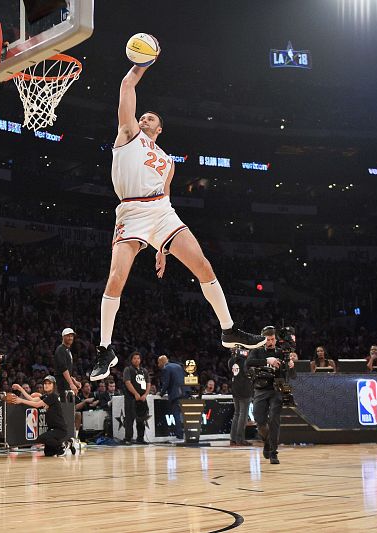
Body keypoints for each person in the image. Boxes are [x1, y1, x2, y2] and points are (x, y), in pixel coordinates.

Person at [90, 47, 264, 381]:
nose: (144, 120)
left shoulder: (169, 161)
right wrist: (141, 65)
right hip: (131, 210)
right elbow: (127, 88)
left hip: (162, 212)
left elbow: (167, 198)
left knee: (203, 266)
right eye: (143, 117)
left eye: (150, 119)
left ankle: (229, 329)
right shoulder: (128, 134)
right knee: (116, 278)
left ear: (160, 129)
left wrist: (162, 249)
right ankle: (104, 349)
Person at [247, 326, 297, 464]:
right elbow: (248, 363)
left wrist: (291, 365)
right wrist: (267, 360)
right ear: (263, 339)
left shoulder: (281, 352)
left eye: (272, 339)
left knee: (274, 420)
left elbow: (293, 376)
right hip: (260, 389)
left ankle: (274, 452)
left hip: (277, 389)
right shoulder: (256, 351)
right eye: (268, 339)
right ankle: (267, 442)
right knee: (259, 420)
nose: (270, 342)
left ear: (276, 338)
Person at [11, 376, 76, 457]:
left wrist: (21, 400)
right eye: (45, 383)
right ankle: (69, 442)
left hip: (59, 429)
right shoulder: (46, 396)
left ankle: (63, 446)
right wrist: (20, 389)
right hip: (52, 429)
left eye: (49, 383)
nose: (46, 385)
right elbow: (32, 399)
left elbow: (37, 405)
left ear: (54, 385)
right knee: (48, 453)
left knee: (42, 438)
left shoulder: (53, 396)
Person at [122, 352, 149, 445]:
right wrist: (135, 393)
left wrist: (145, 394)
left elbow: (148, 383)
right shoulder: (128, 369)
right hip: (131, 398)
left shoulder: (144, 371)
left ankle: (140, 438)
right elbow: (127, 382)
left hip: (142, 398)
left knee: (141, 419)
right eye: (134, 358)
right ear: (131, 360)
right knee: (129, 419)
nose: (136, 360)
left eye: (138, 358)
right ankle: (128, 438)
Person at [227, 349, 252, 446]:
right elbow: (248, 373)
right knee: (243, 414)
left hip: (235, 388)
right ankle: (240, 439)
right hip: (244, 389)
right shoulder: (245, 361)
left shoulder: (231, 360)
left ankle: (233, 439)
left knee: (237, 414)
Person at [157, 355, 185, 442]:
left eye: (158, 362)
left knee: (176, 415)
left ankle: (179, 436)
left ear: (162, 362)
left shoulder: (166, 369)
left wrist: (161, 393)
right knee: (183, 415)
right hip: (185, 393)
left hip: (176, 395)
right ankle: (186, 435)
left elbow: (166, 383)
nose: (158, 365)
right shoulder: (178, 366)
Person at [54, 328, 81, 400]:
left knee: (69, 406)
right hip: (61, 383)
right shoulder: (60, 349)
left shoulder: (67, 350)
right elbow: (63, 368)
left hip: (66, 382)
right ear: (63, 337)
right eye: (68, 336)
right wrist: (71, 384)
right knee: (64, 406)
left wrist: (74, 381)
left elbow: (67, 370)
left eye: (71, 336)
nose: (70, 338)